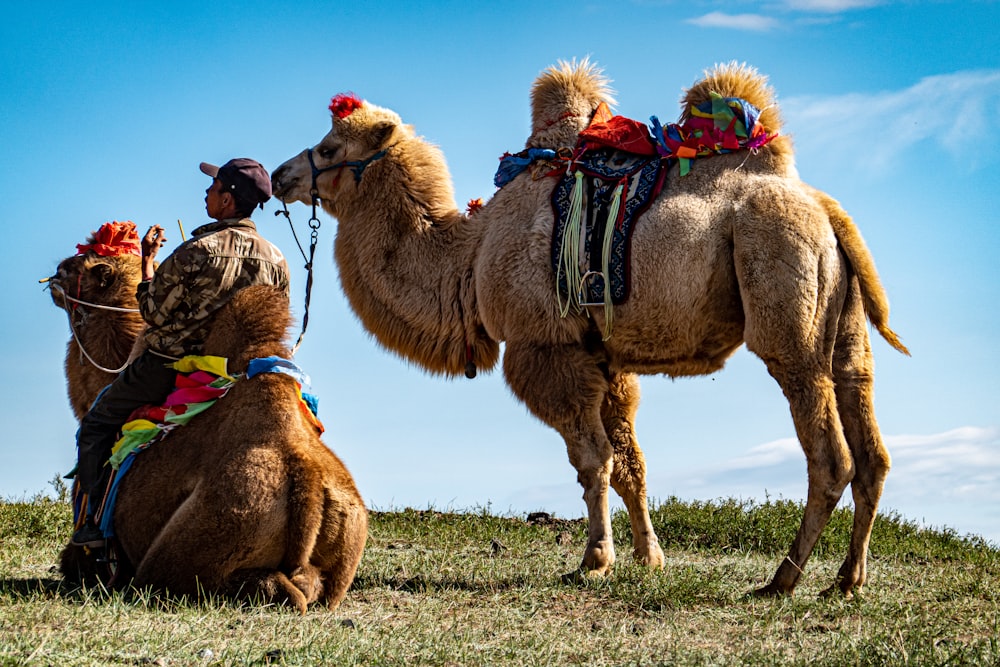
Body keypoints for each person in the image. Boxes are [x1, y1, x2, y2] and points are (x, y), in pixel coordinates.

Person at [72, 158, 290, 547]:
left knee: (97, 424)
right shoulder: (277, 260)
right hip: (242, 374)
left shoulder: (197, 251)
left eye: (214, 186)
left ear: (227, 201)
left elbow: (153, 313)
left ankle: (90, 528)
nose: (206, 191)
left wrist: (148, 262)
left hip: (173, 369)